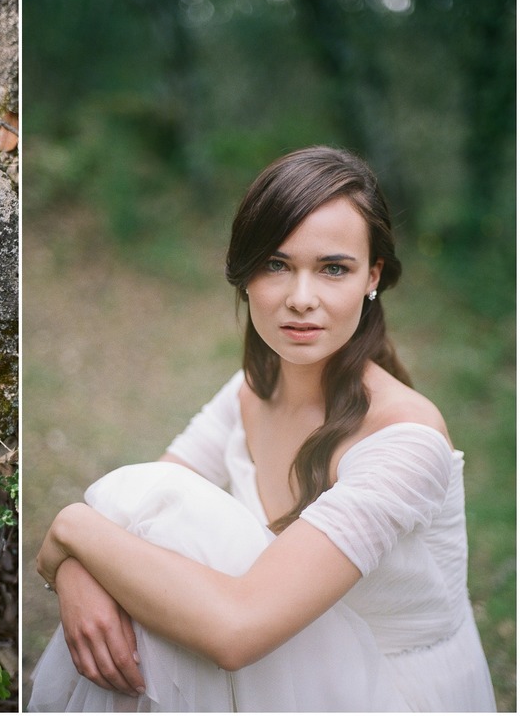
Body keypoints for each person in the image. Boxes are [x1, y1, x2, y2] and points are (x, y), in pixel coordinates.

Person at [27, 146, 496, 712]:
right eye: (276, 264)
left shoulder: (405, 441)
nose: (302, 299)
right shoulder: (252, 389)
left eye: (333, 268)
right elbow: (141, 514)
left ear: (372, 276)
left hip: (389, 691)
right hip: (292, 655)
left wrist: (72, 528)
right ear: (245, 276)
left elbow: (235, 630)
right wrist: (77, 571)